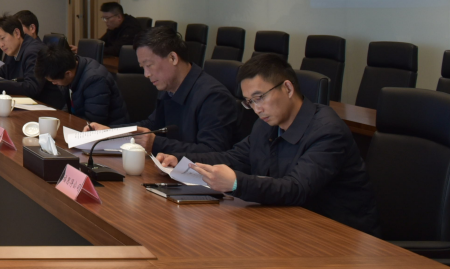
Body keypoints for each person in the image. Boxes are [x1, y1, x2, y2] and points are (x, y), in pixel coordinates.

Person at [161, 54, 381, 235]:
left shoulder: (327, 131)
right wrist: (183, 161)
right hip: (292, 225)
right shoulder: (266, 125)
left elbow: (296, 189)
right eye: (250, 102)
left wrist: (236, 183)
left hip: (340, 236)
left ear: (288, 88)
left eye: (260, 98)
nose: (257, 109)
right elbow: (235, 157)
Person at [85, 26, 239, 155]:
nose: (146, 74)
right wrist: (110, 132)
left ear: (173, 58)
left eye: (149, 65)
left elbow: (213, 152)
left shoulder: (213, 97)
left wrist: (156, 144)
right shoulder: (168, 86)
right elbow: (153, 124)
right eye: (143, 67)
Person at [35, 42, 128, 124]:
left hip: (111, 130)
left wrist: (65, 122)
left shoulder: (95, 80)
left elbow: (94, 122)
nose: (54, 84)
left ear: (68, 74)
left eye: (54, 81)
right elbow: (70, 105)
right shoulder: (72, 66)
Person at [0, 15, 65, 109]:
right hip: (28, 106)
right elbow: (2, 74)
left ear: (17, 33)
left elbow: (31, 87)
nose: (1, 45)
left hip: (47, 108)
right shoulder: (12, 51)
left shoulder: (34, 51)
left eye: (2, 38)